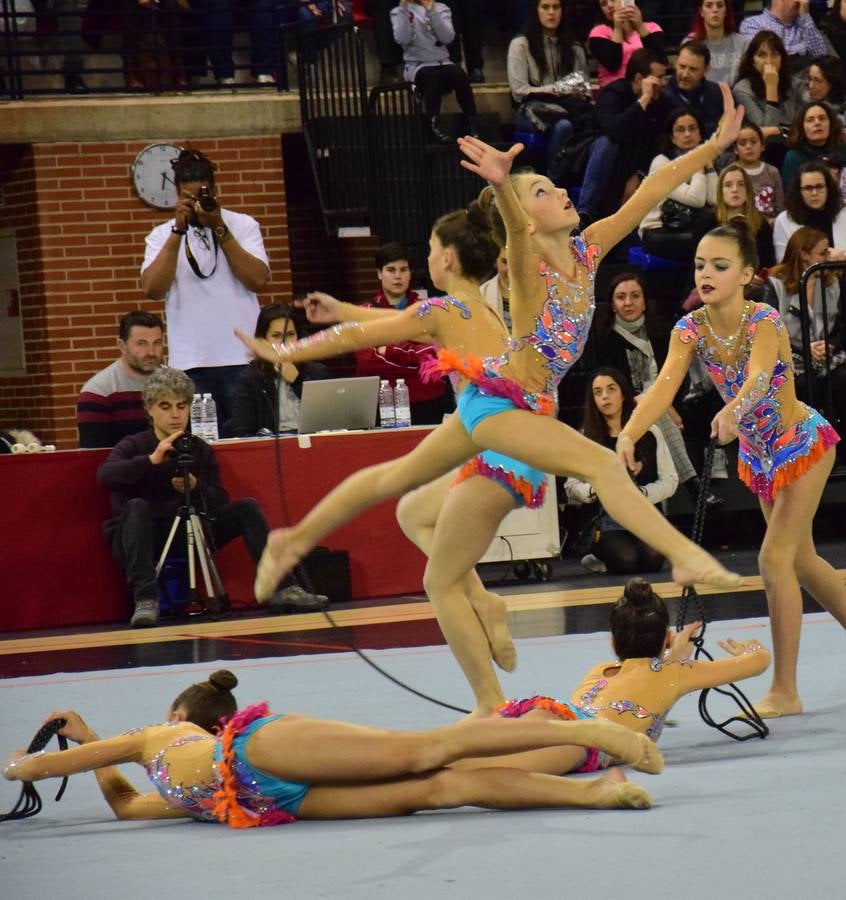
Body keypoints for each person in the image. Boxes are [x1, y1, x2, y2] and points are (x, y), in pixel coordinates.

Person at [234, 91, 749, 710]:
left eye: (555, 188)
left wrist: (713, 147)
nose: (561, 193)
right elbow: (479, 254)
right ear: (527, 223)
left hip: (502, 404)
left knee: (398, 493)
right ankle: (684, 558)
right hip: (503, 408)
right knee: (602, 465)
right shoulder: (526, 270)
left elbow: (654, 186)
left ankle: (300, 541)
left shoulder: (587, 251)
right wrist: (506, 188)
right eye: (544, 192)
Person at [619, 220, 846, 718]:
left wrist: (733, 411)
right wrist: (629, 431)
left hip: (801, 445)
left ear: (746, 274)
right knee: (802, 561)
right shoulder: (690, 328)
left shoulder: (763, 319)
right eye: (701, 264)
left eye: (720, 266)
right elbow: (663, 387)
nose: (706, 273)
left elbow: (760, 375)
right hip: (762, 457)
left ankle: (785, 691)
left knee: (773, 562)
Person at [2, 671, 664, 826]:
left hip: (262, 750)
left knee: (424, 752)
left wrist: (26, 764)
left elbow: (48, 765)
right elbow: (125, 807)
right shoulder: (172, 790)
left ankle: (580, 731)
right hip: (266, 800)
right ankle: (591, 791)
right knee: (443, 789)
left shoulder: (157, 735)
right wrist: (90, 739)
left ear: (182, 716)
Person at [452, 578, 771, 775]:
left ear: (613, 643)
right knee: (479, 771)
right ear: (668, 639)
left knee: (455, 751)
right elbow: (758, 660)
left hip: (547, 711)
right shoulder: (676, 673)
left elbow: (649, 672)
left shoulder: (601, 671)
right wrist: (748, 645)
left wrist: (673, 654)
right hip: (584, 742)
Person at [100, 367, 326, 628]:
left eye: (181, 406)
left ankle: (283, 587)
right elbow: (106, 475)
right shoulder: (135, 444)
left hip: (193, 532)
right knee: (136, 506)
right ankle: (145, 599)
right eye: (165, 406)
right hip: (147, 535)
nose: (175, 414)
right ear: (150, 409)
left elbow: (219, 499)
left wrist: (195, 488)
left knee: (246, 508)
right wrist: (151, 461)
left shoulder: (198, 448)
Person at [139, 149, 268, 424]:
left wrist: (219, 227)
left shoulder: (243, 225)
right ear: (177, 195)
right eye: (189, 197)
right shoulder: (161, 235)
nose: (198, 203)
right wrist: (177, 231)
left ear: (215, 190)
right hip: (191, 364)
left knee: (249, 439)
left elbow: (257, 280)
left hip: (243, 360)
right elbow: (152, 289)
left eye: (203, 195)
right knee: (202, 446)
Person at [583, 272, 698, 489]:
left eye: (635, 296)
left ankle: (692, 481)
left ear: (645, 301)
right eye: (621, 297)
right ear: (613, 305)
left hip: (670, 403)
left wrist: (667, 402)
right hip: (627, 408)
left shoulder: (662, 333)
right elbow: (609, 381)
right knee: (653, 407)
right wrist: (660, 404)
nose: (628, 303)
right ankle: (692, 482)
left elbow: (679, 374)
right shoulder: (603, 339)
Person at [767, 226, 846, 462]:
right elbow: (769, 332)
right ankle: (804, 457)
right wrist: (805, 349)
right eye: (822, 253)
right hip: (790, 357)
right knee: (802, 384)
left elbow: (842, 326)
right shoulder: (776, 285)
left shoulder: (832, 283)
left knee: (845, 379)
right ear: (804, 255)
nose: (828, 257)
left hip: (826, 356)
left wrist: (830, 344)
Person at [565, 370, 677, 575]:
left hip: (645, 515)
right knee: (627, 560)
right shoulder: (587, 437)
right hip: (607, 521)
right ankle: (598, 558)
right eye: (598, 392)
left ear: (624, 394)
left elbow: (670, 480)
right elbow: (571, 486)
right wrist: (596, 489)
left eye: (611, 389)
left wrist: (642, 493)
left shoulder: (649, 432)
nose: (604, 397)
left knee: (653, 559)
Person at [353, 242, 451, 425]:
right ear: (379, 273)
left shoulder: (430, 310)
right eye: (391, 270)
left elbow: (439, 356)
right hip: (380, 403)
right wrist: (416, 352)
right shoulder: (363, 313)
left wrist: (386, 348)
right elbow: (367, 362)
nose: (398, 276)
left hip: (427, 401)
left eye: (403, 269)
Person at [576, 50, 675, 223]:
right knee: (608, 143)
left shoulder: (662, 102)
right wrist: (643, 100)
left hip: (633, 161)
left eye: (664, 77)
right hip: (597, 156)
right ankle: (585, 211)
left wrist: (638, 175)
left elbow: (656, 144)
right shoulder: (612, 94)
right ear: (639, 79)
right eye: (658, 78)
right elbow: (615, 131)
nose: (663, 83)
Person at [507, 0, 590, 181]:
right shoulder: (521, 44)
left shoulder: (574, 47)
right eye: (545, 7)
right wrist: (555, 89)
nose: (551, 13)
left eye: (556, 7)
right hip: (532, 107)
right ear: (536, 10)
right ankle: (553, 181)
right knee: (563, 126)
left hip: (568, 107)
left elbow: (583, 87)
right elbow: (519, 91)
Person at [225, 305, 329, 438]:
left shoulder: (317, 372)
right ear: (263, 339)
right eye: (276, 336)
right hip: (271, 448)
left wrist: (297, 381)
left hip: (314, 443)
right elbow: (242, 433)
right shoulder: (250, 379)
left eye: (290, 335)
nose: (284, 342)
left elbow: (328, 418)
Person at [391, 0, 480, 143]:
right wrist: (403, 10)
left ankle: (472, 124)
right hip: (417, 65)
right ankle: (434, 127)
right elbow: (403, 38)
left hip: (442, 61)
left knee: (459, 74)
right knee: (432, 76)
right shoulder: (398, 11)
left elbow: (448, 37)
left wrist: (432, 11)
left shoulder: (442, 9)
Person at [77, 310, 163, 449]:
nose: (151, 352)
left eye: (157, 343)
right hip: (122, 469)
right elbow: (93, 457)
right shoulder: (99, 391)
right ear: (122, 346)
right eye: (142, 344)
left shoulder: (178, 385)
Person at [638, 111, 713, 259]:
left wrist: (709, 167)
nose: (687, 134)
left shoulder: (702, 159)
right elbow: (696, 199)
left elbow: (714, 199)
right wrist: (700, 167)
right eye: (680, 130)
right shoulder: (661, 163)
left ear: (700, 134)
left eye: (692, 129)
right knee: (708, 243)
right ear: (672, 137)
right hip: (657, 231)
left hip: (689, 227)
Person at [774, 161, 846, 259]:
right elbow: (783, 262)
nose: (814, 193)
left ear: (828, 188)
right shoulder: (784, 220)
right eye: (808, 188)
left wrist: (843, 256)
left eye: (819, 187)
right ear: (798, 191)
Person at [781, 102, 846, 187]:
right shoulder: (793, 157)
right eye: (810, 120)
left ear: (831, 124)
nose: (817, 123)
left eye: (822, 118)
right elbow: (790, 194)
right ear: (802, 127)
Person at [589, 0, 667, 89]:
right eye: (603, 4)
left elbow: (660, 60)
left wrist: (639, 26)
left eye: (613, 0)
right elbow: (612, 65)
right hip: (614, 89)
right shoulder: (598, 32)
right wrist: (617, 28)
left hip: (649, 86)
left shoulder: (652, 28)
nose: (609, 6)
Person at [711, 163, 778, 266]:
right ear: (720, 191)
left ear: (748, 190)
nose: (735, 190)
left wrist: (756, 275)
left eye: (741, 184)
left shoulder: (761, 224)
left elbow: (768, 264)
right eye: (728, 185)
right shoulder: (708, 222)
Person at [738, 0, 832, 67]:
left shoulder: (805, 24)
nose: (804, 2)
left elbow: (822, 58)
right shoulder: (752, 24)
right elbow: (765, 59)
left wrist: (805, 17)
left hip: (804, 86)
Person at [664, 42, 727, 138]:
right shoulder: (662, 96)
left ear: (706, 70)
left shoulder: (719, 93)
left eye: (693, 69)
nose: (685, 74)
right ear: (675, 63)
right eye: (682, 66)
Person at [684, 0, 747, 85]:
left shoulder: (742, 43)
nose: (715, 10)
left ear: (726, 12)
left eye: (720, 5)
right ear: (701, 12)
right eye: (709, 6)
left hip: (735, 96)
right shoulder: (690, 43)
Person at [732, 125, 786, 217]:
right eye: (743, 143)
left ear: (762, 146)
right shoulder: (730, 173)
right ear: (735, 149)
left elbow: (780, 208)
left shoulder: (772, 172)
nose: (749, 146)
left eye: (753, 142)